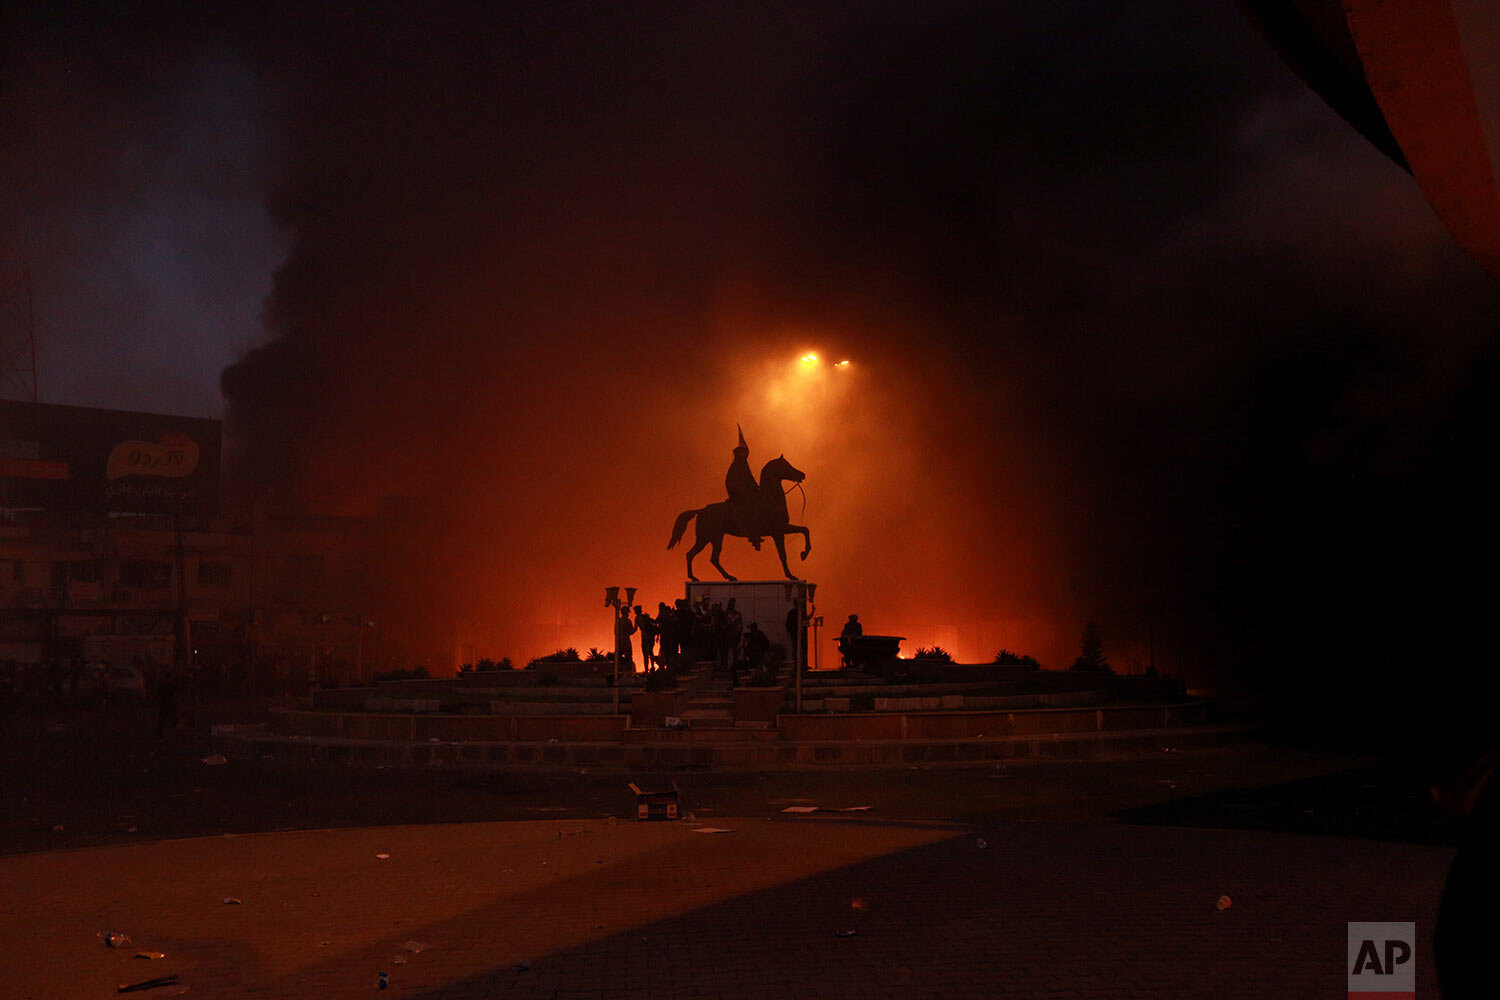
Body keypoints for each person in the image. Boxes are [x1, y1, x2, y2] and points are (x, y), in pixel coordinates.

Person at [725, 425, 763, 549]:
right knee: (753, 507)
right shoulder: (740, 463)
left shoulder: (738, 463)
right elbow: (747, 478)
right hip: (738, 492)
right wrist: (755, 488)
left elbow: (748, 479)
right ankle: (753, 534)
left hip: (739, 490)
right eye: (744, 452)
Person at [156, 669, 178, 739]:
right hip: (169, 703)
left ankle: (160, 733)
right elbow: (174, 693)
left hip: (164, 703)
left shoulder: (163, 684)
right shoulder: (171, 684)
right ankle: (172, 733)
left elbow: (159, 693)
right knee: (172, 719)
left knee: (163, 719)